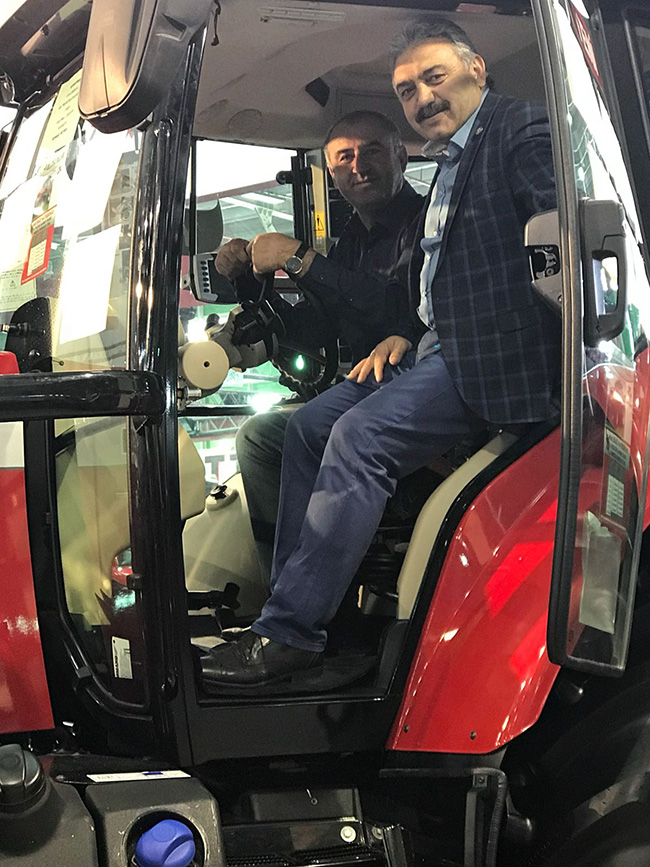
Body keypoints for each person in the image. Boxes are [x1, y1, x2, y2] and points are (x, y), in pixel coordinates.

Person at [200, 18, 560, 687]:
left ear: (477, 69)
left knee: (358, 437)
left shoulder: (518, 131)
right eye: (407, 89)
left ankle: (290, 631)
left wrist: (576, 343)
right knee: (307, 427)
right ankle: (300, 609)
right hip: (432, 345)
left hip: (489, 355)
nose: (423, 96)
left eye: (435, 77)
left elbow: (564, 240)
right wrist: (412, 328)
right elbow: (439, 281)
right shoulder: (451, 162)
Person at [216, 111, 424, 577]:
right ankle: (289, 580)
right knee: (258, 435)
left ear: (402, 157)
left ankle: (299, 589)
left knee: (296, 430)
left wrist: (299, 259)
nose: (359, 166)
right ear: (331, 174)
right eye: (344, 158)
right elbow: (318, 328)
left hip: (412, 384)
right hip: (368, 385)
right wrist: (248, 278)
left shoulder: (427, 222)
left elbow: (397, 310)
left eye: (372, 151)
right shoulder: (353, 238)